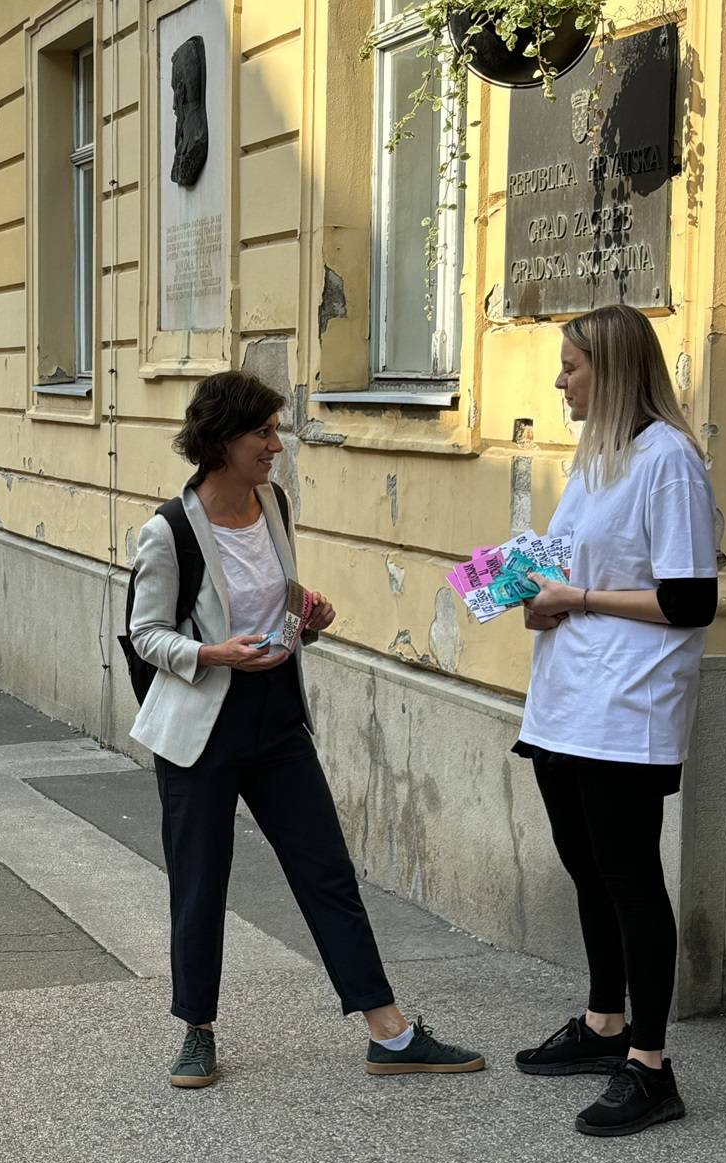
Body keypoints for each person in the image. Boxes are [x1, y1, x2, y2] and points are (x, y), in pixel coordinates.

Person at [128, 370, 484, 1090]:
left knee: (326, 871)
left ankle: (390, 1032)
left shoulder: (274, 504)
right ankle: (196, 1032)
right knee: (201, 883)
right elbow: (144, 634)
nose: (275, 445)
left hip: (277, 715)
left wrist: (306, 621)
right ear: (221, 439)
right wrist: (210, 653)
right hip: (204, 727)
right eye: (263, 432)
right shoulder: (168, 530)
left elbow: (273, 604)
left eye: (275, 430)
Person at [512, 304, 719, 1137]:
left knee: (630, 876)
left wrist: (580, 598)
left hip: (627, 707)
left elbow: (691, 598)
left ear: (614, 370)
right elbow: (567, 568)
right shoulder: (596, 458)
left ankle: (652, 1067)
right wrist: (533, 599)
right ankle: (605, 1026)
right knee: (587, 868)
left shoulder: (668, 462)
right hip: (567, 701)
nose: (560, 380)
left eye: (571, 366)